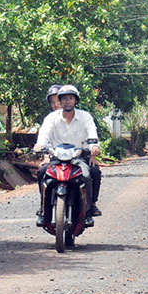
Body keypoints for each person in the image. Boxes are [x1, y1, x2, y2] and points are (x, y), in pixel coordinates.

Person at [34, 84, 103, 227]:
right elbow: (44, 134)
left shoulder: (85, 117)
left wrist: (94, 148)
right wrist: (39, 145)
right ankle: (43, 210)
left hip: (79, 158)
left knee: (92, 173)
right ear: (60, 101)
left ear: (76, 100)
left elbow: (92, 134)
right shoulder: (52, 118)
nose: (67, 101)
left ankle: (90, 209)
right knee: (42, 173)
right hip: (57, 158)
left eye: (71, 98)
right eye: (64, 99)